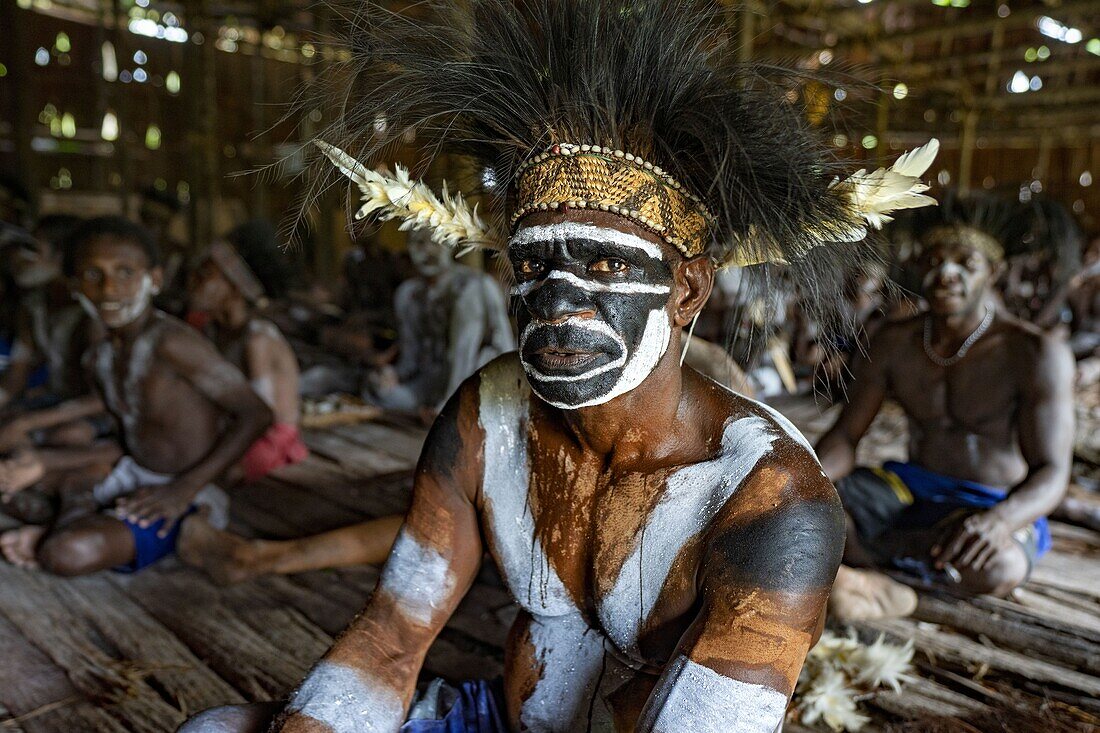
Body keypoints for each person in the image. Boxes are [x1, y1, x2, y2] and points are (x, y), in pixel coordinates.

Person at [181, 1, 936, 730]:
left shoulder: (773, 500)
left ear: (687, 291)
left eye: (605, 263)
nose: (559, 302)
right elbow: (392, 631)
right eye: (534, 263)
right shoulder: (486, 416)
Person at [820, 201, 1076, 622]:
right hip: (906, 488)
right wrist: (806, 477)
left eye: (965, 263)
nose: (946, 274)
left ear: (992, 272)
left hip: (988, 501)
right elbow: (846, 437)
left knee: (1000, 565)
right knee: (811, 504)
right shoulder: (893, 341)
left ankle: (886, 582)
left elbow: (1053, 471)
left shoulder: (1033, 353)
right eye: (935, 261)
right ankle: (885, 577)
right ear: (920, 266)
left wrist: (999, 521)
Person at [0, 216, 272, 575]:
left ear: (154, 280)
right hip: (131, 473)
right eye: (93, 275)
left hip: (185, 491)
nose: (109, 289)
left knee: (66, 554)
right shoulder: (101, 356)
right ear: (75, 285)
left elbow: (256, 414)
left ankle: (65, 529)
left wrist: (183, 489)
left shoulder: (172, 343)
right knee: (11, 481)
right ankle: (66, 522)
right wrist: (43, 461)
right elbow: (125, 440)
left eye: (125, 272)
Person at [187, 240, 308, 483]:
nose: (195, 284)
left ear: (235, 286)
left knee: (215, 474)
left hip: (270, 437)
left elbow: (262, 417)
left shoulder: (257, 340)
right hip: (237, 429)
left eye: (206, 276)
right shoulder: (214, 332)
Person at [363, 228, 515, 416]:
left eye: (435, 242)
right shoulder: (408, 294)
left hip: (476, 383)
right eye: (419, 243)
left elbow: (503, 349)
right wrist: (391, 374)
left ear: (451, 244)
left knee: (470, 294)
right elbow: (410, 358)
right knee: (378, 391)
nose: (427, 251)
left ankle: (452, 407)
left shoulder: (476, 285)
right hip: (429, 384)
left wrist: (449, 403)